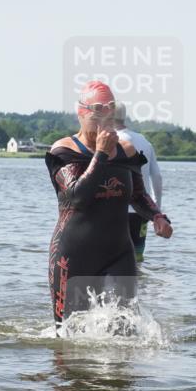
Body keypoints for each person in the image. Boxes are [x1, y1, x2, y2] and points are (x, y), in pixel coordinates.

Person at [46, 80, 172, 328]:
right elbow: (76, 197)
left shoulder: (126, 150)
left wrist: (157, 216)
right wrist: (101, 155)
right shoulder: (64, 151)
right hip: (74, 255)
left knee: (125, 326)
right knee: (68, 333)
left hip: (118, 252)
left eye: (110, 108)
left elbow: (138, 195)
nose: (105, 116)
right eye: (98, 109)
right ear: (81, 112)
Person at [114, 103, 163, 263]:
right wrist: (156, 210)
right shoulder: (144, 141)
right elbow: (157, 176)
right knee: (137, 257)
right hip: (142, 211)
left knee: (114, 258)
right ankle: (138, 286)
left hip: (116, 210)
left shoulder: (109, 140)